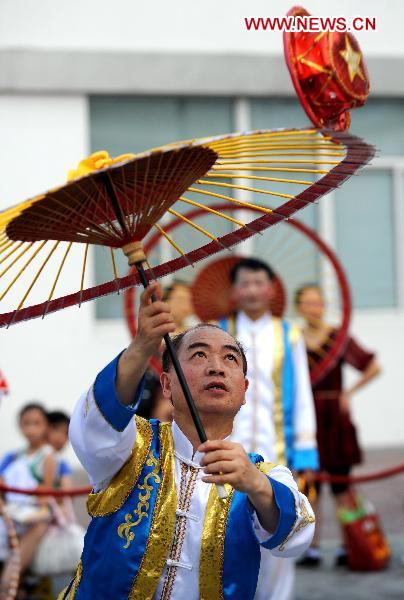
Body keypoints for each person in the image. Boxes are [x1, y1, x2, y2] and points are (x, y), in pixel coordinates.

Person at [61, 282, 315, 599]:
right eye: (198, 354)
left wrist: (256, 484)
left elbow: (296, 537)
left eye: (230, 359)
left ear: (244, 389)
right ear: (167, 385)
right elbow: (93, 428)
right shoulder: (131, 446)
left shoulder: (264, 475)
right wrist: (142, 346)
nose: (216, 367)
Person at [218, 257, 318, 600]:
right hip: (227, 449)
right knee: (227, 530)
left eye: (259, 283)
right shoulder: (219, 333)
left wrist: (306, 454)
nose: (252, 290)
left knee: (280, 529)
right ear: (234, 290)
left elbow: (302, 394)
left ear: (272, 288)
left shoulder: (289, 334)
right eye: (245, 283)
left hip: (276, 453)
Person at [294, 284, 381, 567]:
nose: (313, 308)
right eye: (307, 303)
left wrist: (349, 393)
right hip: (307, 419)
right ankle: (313, 547)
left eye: (318, 303)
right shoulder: (293, 338)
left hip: (334, 418)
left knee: (342, 486)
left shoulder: (338, 338)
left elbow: (372, 366)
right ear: (298, 307)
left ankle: (349, 544)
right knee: (309, 485)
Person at [0, 403, 56, 584]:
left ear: (46, 426)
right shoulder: (17, 455)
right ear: (20, 426)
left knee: (13, 568)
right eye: (26, 423)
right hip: (13, 512)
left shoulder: (48, 455)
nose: (31, 429)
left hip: (35, 516)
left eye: (36, 423)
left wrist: (32, 491)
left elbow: (47, 491)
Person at [47, 410, 73, 488]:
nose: (60, 436)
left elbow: (67, 493)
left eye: (66, 433)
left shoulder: (62, 465)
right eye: (56, 429)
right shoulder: (14, 457)